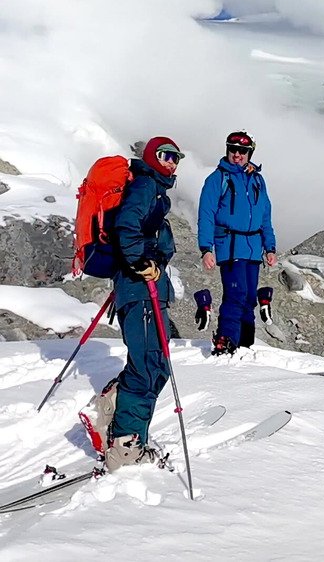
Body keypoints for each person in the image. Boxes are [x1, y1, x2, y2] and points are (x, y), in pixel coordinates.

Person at [80, 136, 184, 472]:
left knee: (156, 365)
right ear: (152, 157)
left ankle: (112, 407)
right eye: (166, 155)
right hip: (140, 289)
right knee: (147, 366)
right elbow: (126, 225)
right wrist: (140, 263)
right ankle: (124, 449)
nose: (172, 162)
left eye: (176, 158)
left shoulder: (154, 189)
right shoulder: (144, 186)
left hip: (145, 288)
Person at [197, 130, 277, 355]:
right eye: (233, 149)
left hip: (253, 249)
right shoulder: (217, 179)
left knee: (250, 297)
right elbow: (206, 214)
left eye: (242, 151)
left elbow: (265, 217)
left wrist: (270, 247)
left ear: (250, 153)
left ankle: (245, 344)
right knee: (236, 294)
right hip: (230, 246)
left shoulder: (257, 180)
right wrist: (206, 249)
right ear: (227, 150)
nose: (237, 155)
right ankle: (226, 341)